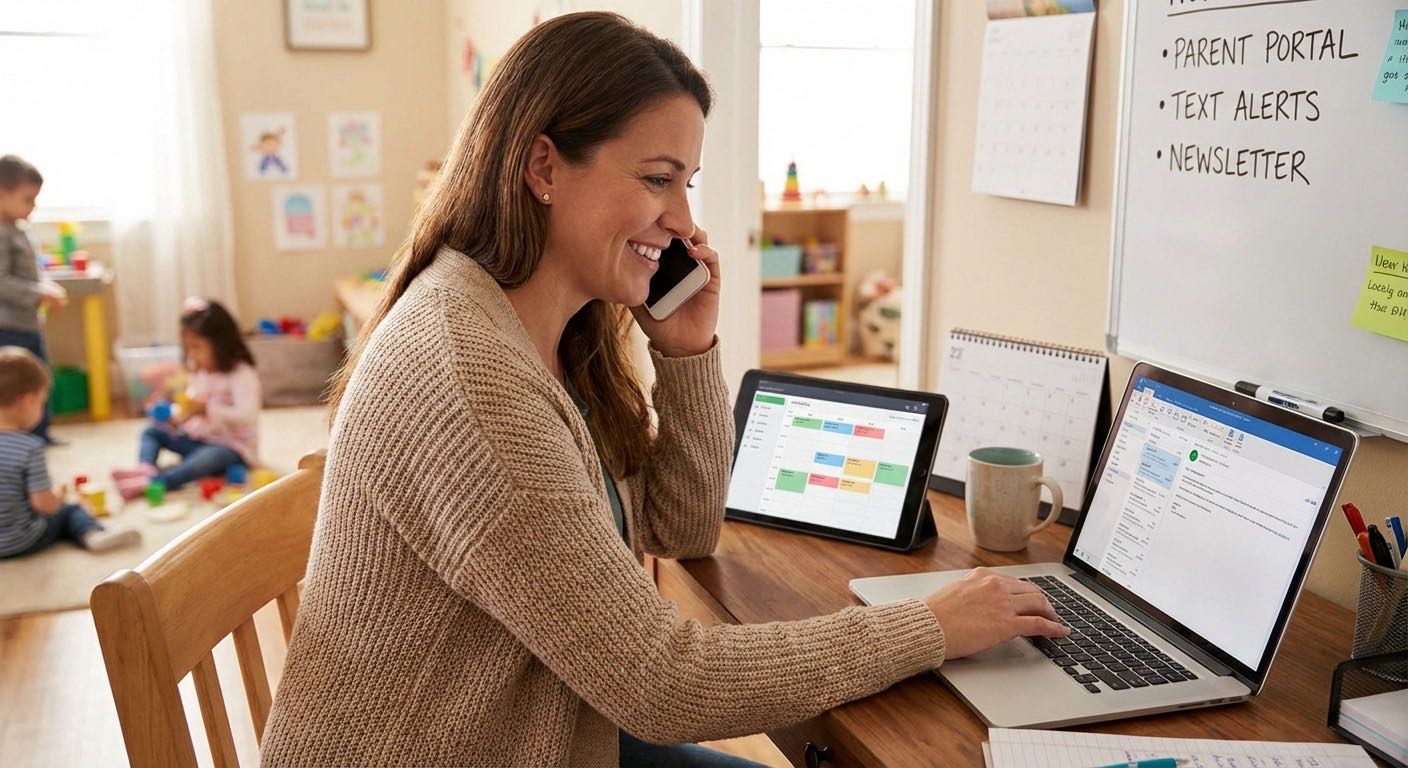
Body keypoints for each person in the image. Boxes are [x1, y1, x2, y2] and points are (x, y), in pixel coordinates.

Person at [260, 13, 1067, 767]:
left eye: (688, 183)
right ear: (544, 166)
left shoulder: (546, 328)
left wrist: (685, 352)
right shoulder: (470, 376)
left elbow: (680, 526)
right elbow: (662, 683)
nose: (683, 219)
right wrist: (929, 626)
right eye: (657, 179)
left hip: (537, 727)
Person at [111, 299, 259, 499]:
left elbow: (247, 416)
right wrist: (177, 416)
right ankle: (145, 468)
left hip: (231, 448)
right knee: (151, 430)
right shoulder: (200, 372)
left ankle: (155, 482)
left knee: (209, 458)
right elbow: (190, 402)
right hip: (197, 439)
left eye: (197, 347)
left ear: (221, 343)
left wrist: (207, 409)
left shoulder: (241, 374)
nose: (192, 355)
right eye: (188, 348)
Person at [0, 346, 138, 558]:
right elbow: (43, 504)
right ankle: (92, 534)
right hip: (19, 539)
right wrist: (59, 497)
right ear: (27, 402)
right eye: (42, 403)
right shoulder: (30, 447)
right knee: (69, 511)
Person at [0, 155, 68, 445]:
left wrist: (44, 285)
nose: (34, 206)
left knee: (40, 379)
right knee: (15, 385)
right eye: (28, 199)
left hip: (29, 323)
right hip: (8, 325)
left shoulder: (21, 229)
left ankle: (40, 434)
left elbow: (29, 273)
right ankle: (14, 438)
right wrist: (38, 292)